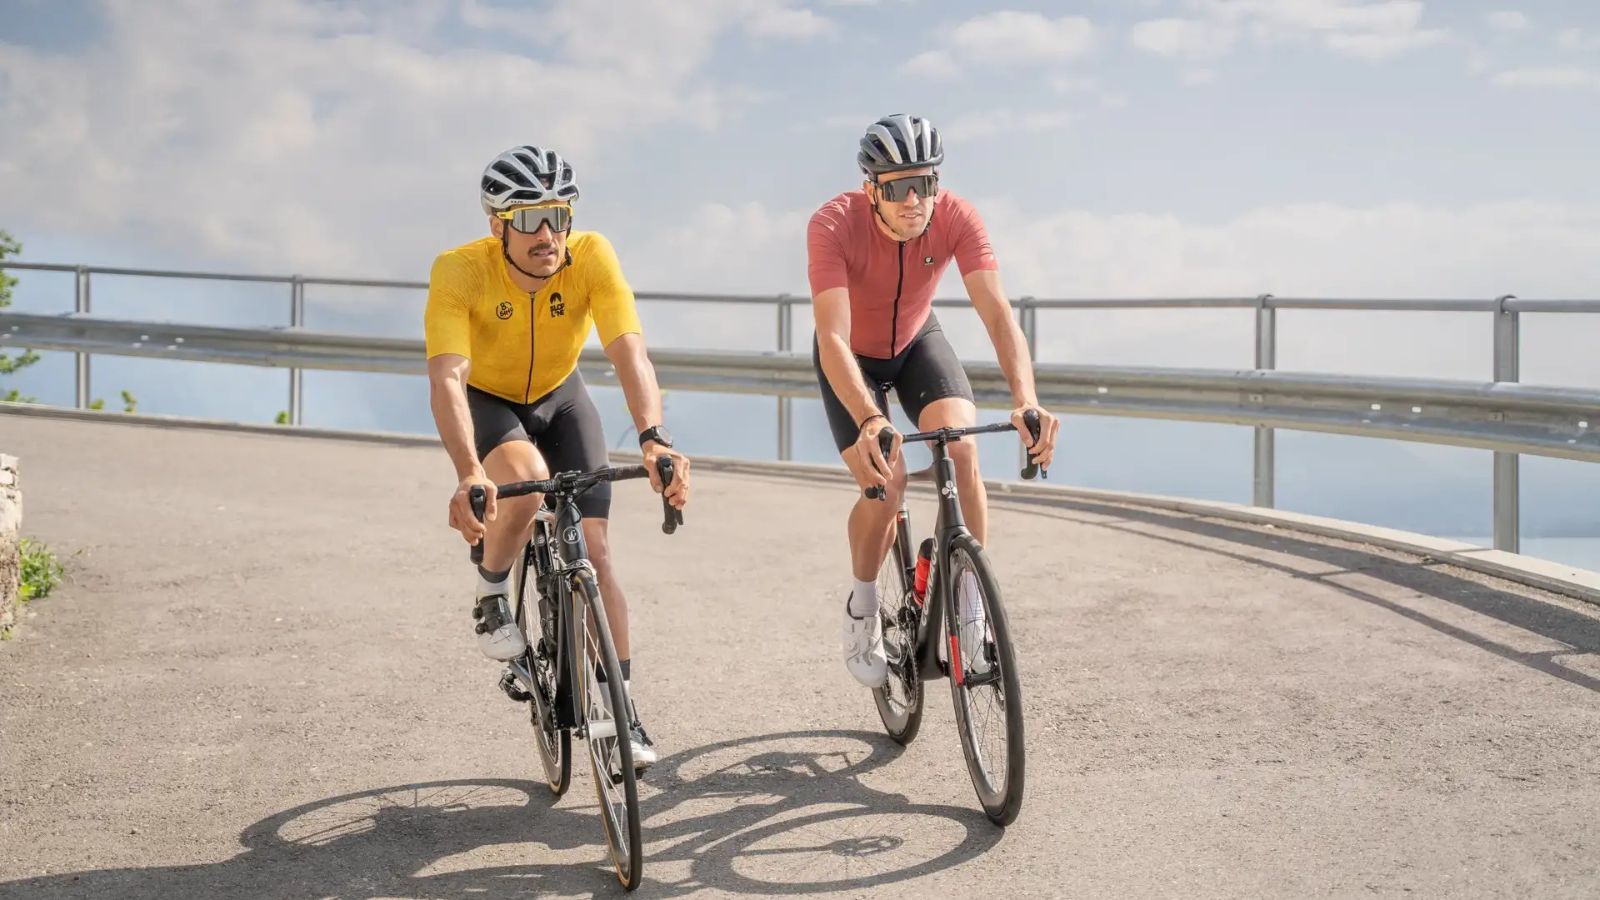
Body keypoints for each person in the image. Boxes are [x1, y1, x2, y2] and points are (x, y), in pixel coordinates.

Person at [423, 144, 690, 769]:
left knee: (596, 551)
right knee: (527, 482)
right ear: (498, 225)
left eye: (558, 216)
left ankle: (622, 708)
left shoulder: (591, 256)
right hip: (490, 399)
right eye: (528, 219)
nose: (547, 234)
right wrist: (469, 472)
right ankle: (492, 591)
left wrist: (653, 436)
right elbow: (448, 378)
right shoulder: (459, 270)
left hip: (561, 396)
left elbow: (629, 351)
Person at [807, 114, 1061, 687]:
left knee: (963, 451)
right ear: (871, 189)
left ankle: (971, 609)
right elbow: (832, 338)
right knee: (888, 481)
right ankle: (863, 607)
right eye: (898, 187)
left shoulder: (956, 217)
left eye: (924, 184)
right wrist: (869, 419)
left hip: (917, 340)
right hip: (851, 356)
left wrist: (1026, 399)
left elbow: (998, 314)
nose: (913, 201)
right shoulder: (833, 224)